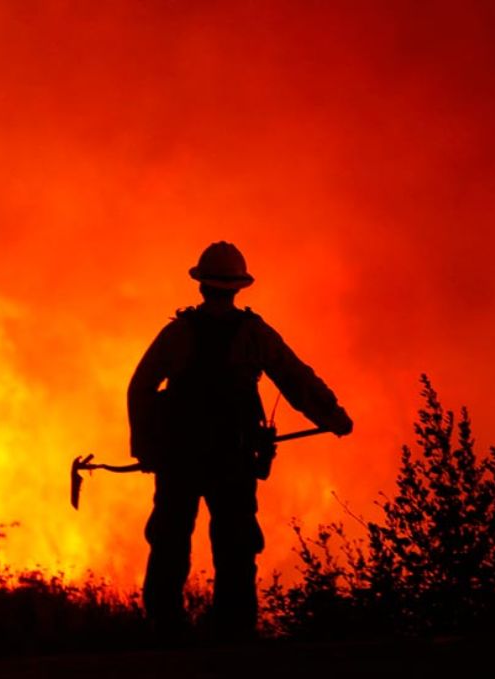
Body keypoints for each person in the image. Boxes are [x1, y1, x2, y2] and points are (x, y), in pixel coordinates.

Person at [128, 241, 353, 640]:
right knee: (235, 544)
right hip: (232, 458)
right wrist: (332, 416)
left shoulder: (177, 334)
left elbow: (140, 388)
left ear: (201, 285)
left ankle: (165, 628)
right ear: (237, 288)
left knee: (169, 540)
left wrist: (146, 448)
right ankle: (233, 631)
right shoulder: (254, 335)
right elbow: (295, 378)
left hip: (181, 458)